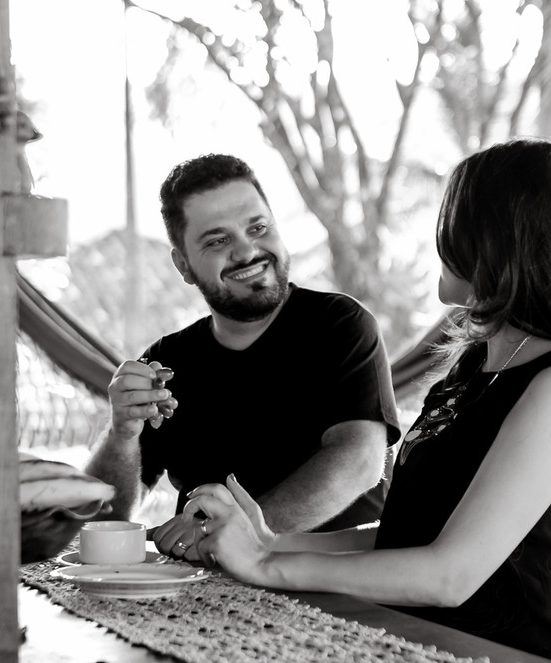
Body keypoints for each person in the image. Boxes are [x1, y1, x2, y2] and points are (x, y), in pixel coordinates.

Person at [186, 138, 551, 663]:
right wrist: (270, 542)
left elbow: (448, 574)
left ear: (495, 239)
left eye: (454, 220)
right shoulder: (475, 369)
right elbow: (406, 536)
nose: (440, 237)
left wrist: (266, 567)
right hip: (437, 646)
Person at [86, 153, 402, 561]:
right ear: (183, 265)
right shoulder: (166, 362)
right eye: (217, 240)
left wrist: (232, 534)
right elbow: (105, 519)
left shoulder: (340, 324)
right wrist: (122, 434)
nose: (246, 250)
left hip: (336, 585)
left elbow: (360, 461)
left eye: (258, 228)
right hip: (203, 589)